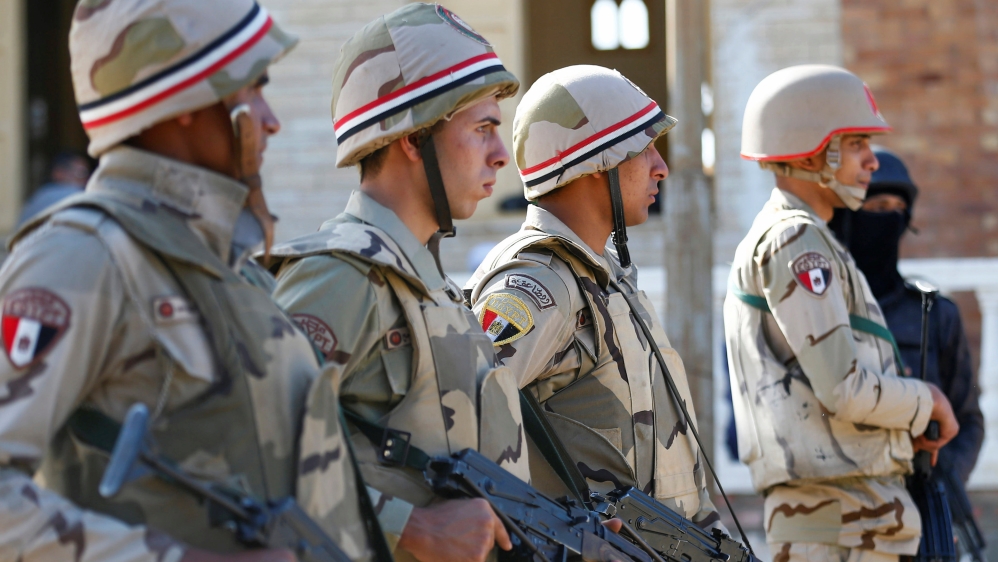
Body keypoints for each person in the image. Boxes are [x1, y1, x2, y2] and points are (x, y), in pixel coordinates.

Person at [0, 1, 371, 560]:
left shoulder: (233, 267)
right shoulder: (83, 255)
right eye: (254, 88)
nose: (271, 119)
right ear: (187, 102)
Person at [268, 4, 529, 561]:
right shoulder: (340, 276)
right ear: (412, 138)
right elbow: (250, 453)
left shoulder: (430, 284)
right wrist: (406, 527)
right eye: (482, 129)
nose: (501, 155)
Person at [464, 65, 725, 531]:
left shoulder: (606, 277)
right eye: (644, 149)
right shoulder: (539, 284)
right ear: (596, 163)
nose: (661, 167)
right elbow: (463, 430)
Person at [724, 65, 959, 561]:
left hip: (856, 518)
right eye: (856, 144)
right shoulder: (795, 239)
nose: (873, 163)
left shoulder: (810, 236)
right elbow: (844, 388)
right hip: (840, 525)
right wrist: (927, 399)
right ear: (811, 151)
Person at [828, 147, 984, 486]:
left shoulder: (935, 313)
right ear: (850, 217)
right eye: (878, 209)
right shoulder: (823, 311)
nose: (889, 220)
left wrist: (945, 482)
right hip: (847, 496)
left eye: (899, 210)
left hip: (923, 498)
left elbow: (968, 418)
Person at [17, 151, 92, 228]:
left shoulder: (40, 195)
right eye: (80, 173)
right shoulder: (73, 194)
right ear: (58, 173)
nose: (86, 179)